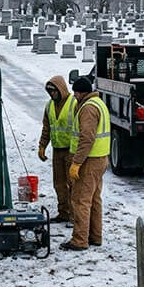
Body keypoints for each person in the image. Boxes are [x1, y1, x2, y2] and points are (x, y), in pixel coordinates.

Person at [61, 77, 110, 251]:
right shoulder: (98, 103)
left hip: (89, 161)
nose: (74, 96)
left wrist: (76, 163)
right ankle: (95, 236)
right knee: (94, 199)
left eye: (76, 92)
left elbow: (86, 138)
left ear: (82, 92)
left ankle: (79, 240)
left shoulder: (88, 108)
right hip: (100, 159)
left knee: (81, 200)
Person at [38, 76, 77, 224]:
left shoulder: (74, 104)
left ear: (61, 89)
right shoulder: (49, 106)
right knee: (59, 183)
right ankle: (64, 213)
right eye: (50, 91)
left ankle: (74, 215)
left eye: (54, 91)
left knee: (72, 184)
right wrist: (42, 145)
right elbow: (47, 128)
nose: (52, 94)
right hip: (57, 150)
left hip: (71, 150)